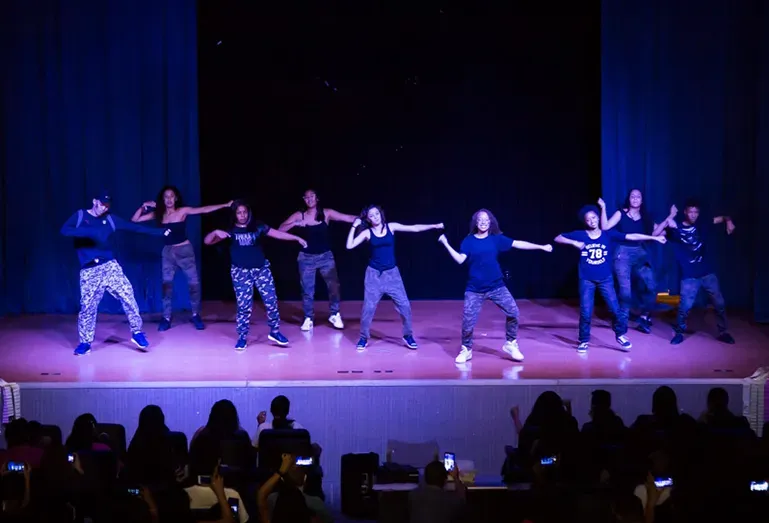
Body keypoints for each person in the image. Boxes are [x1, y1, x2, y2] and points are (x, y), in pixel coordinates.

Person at [438, 209, 552, 364]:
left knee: (513, 312)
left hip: (496, 286)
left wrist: (541, 247)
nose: (483, 222)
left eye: (486, 220)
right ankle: (466, 349)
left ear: (490, 222)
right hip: (475, 289)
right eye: (480, 220)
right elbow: (459, 259)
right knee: (468, 322)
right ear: (476, 223)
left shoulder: (496, 239)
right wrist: (446, 244)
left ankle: (510, 343)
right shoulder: (469, 241)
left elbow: (518, 243)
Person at [61, 192, 169, 356]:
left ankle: (137, 332)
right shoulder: (80, 216)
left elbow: (135, 228)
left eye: (107, 205)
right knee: (87, 308)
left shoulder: (110, 219)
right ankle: (85, 343)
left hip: (109, 266)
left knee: (128, 295)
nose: (104, 208)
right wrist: (88, 232)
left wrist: (160, 233)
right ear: (94, 201)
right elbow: (65, 230)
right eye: (101, 204)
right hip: (89, 271)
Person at [554, 205, 666, 353]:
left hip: (605, 280)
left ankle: (620, 335)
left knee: (615, 309)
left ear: (598, 218)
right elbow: (558, 237)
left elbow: (632, 236)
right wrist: (574, 243)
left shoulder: (608, 234)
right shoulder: (580, 235)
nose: (592, 221)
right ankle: (584, 340)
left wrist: (654, 237)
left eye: (594, 217)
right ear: (585, 222)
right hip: (586, 280)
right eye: (588, 219)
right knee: (586, 311)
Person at [204, 200, 307, 350]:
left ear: (248, 212)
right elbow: (207, 242)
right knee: (244, 306)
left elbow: (277, 234)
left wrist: (296, 238)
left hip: (261, 270)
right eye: (239, 213)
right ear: (234, 214)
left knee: (271, 301)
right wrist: (214, 232)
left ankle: (275, 331)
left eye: (244, 212)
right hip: (241, 272)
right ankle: (242, 337)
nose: (242, 215)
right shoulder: (230, 231)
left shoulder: (258, 227)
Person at [131, 186, 232, 331]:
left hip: (185, 251)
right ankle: (166, 318)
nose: (169, 199)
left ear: (176, 198)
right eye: (166, 197)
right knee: (166, 286)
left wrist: (225, 205)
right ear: (163, 199)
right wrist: (143, 206)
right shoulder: (159, 214)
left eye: (172, 196)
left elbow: (204, 209)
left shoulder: (182, 211)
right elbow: (135, 220)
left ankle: (196, 315)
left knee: (194, 284)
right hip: (168, 252)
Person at [346, 205, 443, 350]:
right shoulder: (367, 233)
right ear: (368, 219)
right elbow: (349, 245)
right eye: (371, 215)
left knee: (405, 306)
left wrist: (434, 226)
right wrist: (354, 226)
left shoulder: (391, 227)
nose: (375, 217)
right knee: (368, 308)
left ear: (381, 214)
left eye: (377, 214)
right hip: (374, 275)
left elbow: (414, 228)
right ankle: (363, 337)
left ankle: (407, 335)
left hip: (392, 275)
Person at [278, 189, 357, 331]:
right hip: (306, 258)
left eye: (312, 196)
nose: (309, 199)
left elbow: (348, 218)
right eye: (306, 197)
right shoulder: (299, 215)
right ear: (304, 199)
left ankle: (335, 314)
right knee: (307, 290)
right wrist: (295, 224)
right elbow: (280, 229)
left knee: (334, 286)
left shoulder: (327, 213)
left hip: (326, 257)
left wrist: (368, 218)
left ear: (317, 198)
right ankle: (308, 317)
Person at [661, 199, 736, 345]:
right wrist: (669, 217)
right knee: (685, 307)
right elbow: (656, 232)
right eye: (691, 212)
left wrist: (729, 221)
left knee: (719, 303)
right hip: (689, 275)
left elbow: (722, 217)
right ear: (685, 212)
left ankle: (723, 332)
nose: (694, 215)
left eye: (696, 212)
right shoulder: (676, 229)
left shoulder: (703, 224)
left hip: (707, 273)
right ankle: (679, 333)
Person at [598, 189, 671, 334]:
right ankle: (622, 323)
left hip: (640, 254)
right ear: (629, 199)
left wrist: (668, 221)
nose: (635, 198)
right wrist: (603, 208)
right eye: (633, 196)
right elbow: (605, 227)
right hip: (623, 254)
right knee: (626, 292)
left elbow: (655, 232)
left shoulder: (646, 217)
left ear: (641, 200)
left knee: (652, 287)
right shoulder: (621, 213)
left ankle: (644, 317)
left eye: (638, 196)